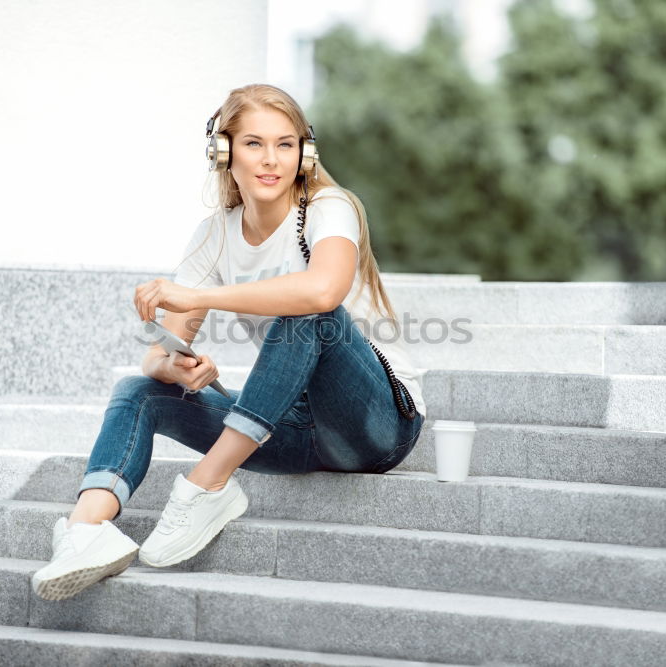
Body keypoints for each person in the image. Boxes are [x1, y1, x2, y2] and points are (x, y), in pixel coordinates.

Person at [31, 83, 427, 601]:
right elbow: (159, 349)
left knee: (307, 314)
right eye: (254, 144)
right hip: (288, 429)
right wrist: (172, 368)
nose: (271, 160)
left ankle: (205, 486)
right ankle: (85, 533)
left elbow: (324, 288)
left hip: (377, 423)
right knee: (137, 390)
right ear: (224, 152)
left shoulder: (329, 208)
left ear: (304, 153)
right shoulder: (214, 234)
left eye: (286, 145)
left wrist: (205, 296)